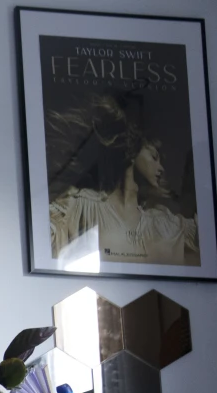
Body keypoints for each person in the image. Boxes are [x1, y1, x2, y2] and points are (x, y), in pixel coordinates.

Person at [45, 94, 199, 266]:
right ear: (134, 147)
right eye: (154, 157)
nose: (161, 168)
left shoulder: (169, 225)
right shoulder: (77, 209)